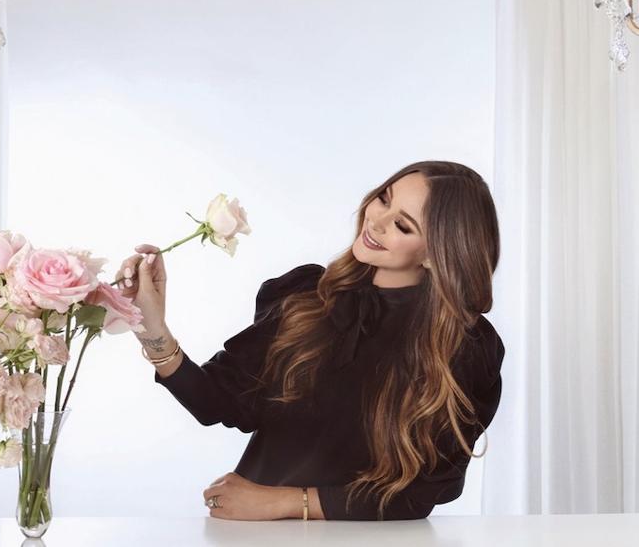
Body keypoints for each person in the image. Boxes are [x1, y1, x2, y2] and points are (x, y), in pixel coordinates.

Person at [114, 161, 505, 521]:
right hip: (255, 537)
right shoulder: (303, 296)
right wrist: (151, 327)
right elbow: (219, 401)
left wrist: (286, 502)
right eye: (383, 199)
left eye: (403, 226)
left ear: (437, 253)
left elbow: (421, 493)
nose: (376, 221)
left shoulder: (466, 347)